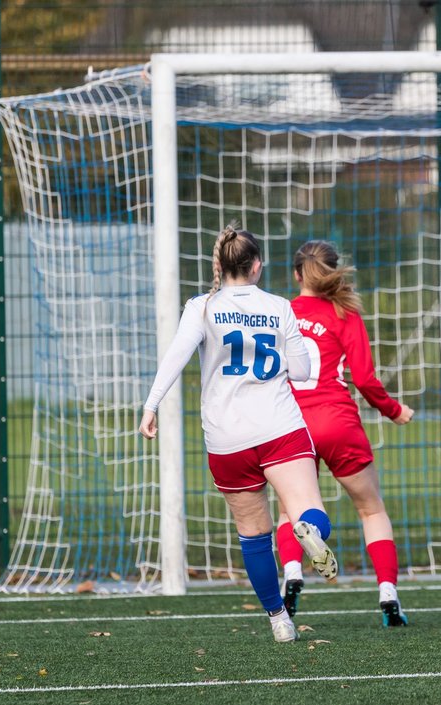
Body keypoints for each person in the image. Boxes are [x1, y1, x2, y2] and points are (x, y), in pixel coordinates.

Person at [139, 223, 339, 643]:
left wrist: (151, 405)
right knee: (308, 510)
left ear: (220, 264)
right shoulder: (281, 307)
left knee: (254, 533)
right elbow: (303, 370)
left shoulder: (202, 307)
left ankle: (279, 620)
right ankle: (311, 534)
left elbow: (175, 357)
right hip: (279, 426)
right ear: (257, 266)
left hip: (228, 438)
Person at [272, 239, 416, 627]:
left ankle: (292, 572)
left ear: (297, 274)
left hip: (290, 423)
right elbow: (366, 380)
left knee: (289, 510)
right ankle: (388, 592)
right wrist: (394, 410)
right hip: (336, 421)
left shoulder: (279, 313)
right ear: (333, 272)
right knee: (371, 509)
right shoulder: (344, 312)